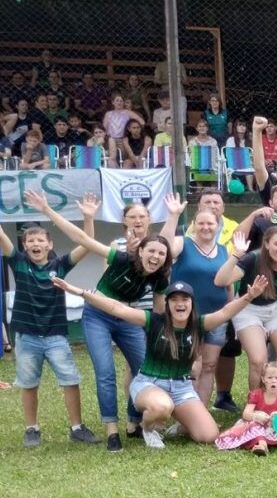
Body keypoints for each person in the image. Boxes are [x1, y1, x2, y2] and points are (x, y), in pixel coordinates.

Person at [25, 191, 171, 452]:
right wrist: (47, 210)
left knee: (144, 369)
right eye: (151, 251)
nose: (156, 257)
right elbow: (82, 239)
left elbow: (158, 314)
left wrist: (161, 339)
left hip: (127, 318)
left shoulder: (160, 277)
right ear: (141, 252)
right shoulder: (122, 257)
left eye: (161, 254)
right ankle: (112, 430)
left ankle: (133, 422)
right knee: (105, 373)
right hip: (97, 316)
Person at [55, 276, 266, 449]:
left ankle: (180, 421)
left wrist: (249, 296)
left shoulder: (199, 324)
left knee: (208, 435)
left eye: (185, 299)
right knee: (162, 406)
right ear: (167, 304)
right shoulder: (153, 321)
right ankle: (148, 428)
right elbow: (115, 308)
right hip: (150, 384)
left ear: (192, 304)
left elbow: (226, 312)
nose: (180, 303)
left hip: (182, 388)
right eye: (174, 299)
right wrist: (82, 293)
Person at [0, 189, 101, 447]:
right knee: (28, 384)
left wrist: (88, 218)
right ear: (24, 246)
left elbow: (87, 243)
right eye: (30, 241)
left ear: (49, 244)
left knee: (71, 381)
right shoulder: (18, 262)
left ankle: (76, 427)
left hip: (56, 337)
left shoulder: (60, 265)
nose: (35, 244)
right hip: (27, 337)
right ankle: (32, 429)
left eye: (40, 240)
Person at [214, 228, 277, 391]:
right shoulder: (252, 259)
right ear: (267, 244)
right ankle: (255, 404)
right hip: (248, 308)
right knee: (258, 360)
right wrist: (237, 255)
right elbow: (220, 281)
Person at [159, 197, 231, 411]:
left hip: (217, 317)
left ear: (217, 227)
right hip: (187, 317)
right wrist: (173, 216)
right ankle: (185, 412)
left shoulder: (224, 251)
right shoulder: (184, 243)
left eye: (210, 224)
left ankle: (201, 411)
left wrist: (230, 309)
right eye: (201, 223)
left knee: (209, 365)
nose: (205, 227)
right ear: (193, 225)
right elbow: (165, 248)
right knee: (191, 367)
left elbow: (228, 285)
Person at [214, 362, 277, 456]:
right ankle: (262, 445)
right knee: (252, 425)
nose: (273, 381)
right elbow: (246, 414)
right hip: (263, 427)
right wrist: (256, 416)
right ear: (263, 379)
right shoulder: (256, 394)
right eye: (270, 378)